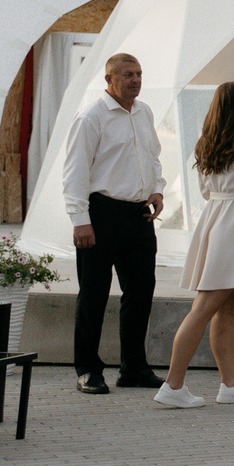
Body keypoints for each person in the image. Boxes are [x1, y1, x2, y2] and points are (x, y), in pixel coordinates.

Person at [156, 81, 234, 408]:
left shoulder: (205, 141)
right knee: (206, 308)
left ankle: (230, 383)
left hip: (215, 217)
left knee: (227, 307)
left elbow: (207, 192)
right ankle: (173, 385)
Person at [64, 52, 165, 394]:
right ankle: (87, 369)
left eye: (138, 73)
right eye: (127, 75)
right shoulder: (92, 116)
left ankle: (134, 368)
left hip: (138, 214)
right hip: (101, 213)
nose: (135, 80)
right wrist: (80, 220)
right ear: (109, 79)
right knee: (94, 292)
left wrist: (157, 190)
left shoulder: (144, 112)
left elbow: (152, 156)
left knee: (140, 292)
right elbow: (75, 171)